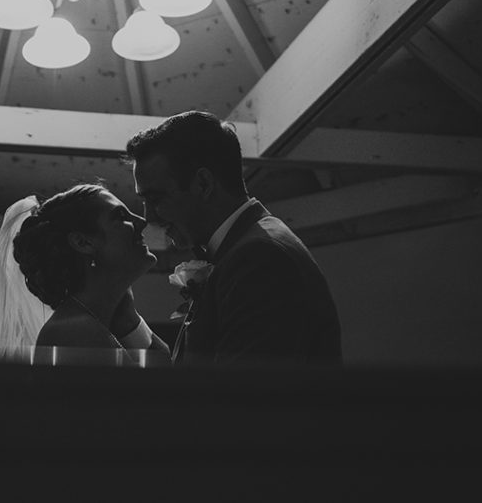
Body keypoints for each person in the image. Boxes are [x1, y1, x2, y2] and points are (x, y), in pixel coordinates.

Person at [123, 111, 341, 366]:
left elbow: (238, 398)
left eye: (156, 199)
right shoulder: (245, 248)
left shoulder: (260, 259)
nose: (148, 216)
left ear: (203, 184)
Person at [0, 183, 169, 364]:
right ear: (82, 242)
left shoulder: (96, 322)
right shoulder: (75, 333)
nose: (141, 222)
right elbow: (165, 405)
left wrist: (130, 322)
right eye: (120, 217)